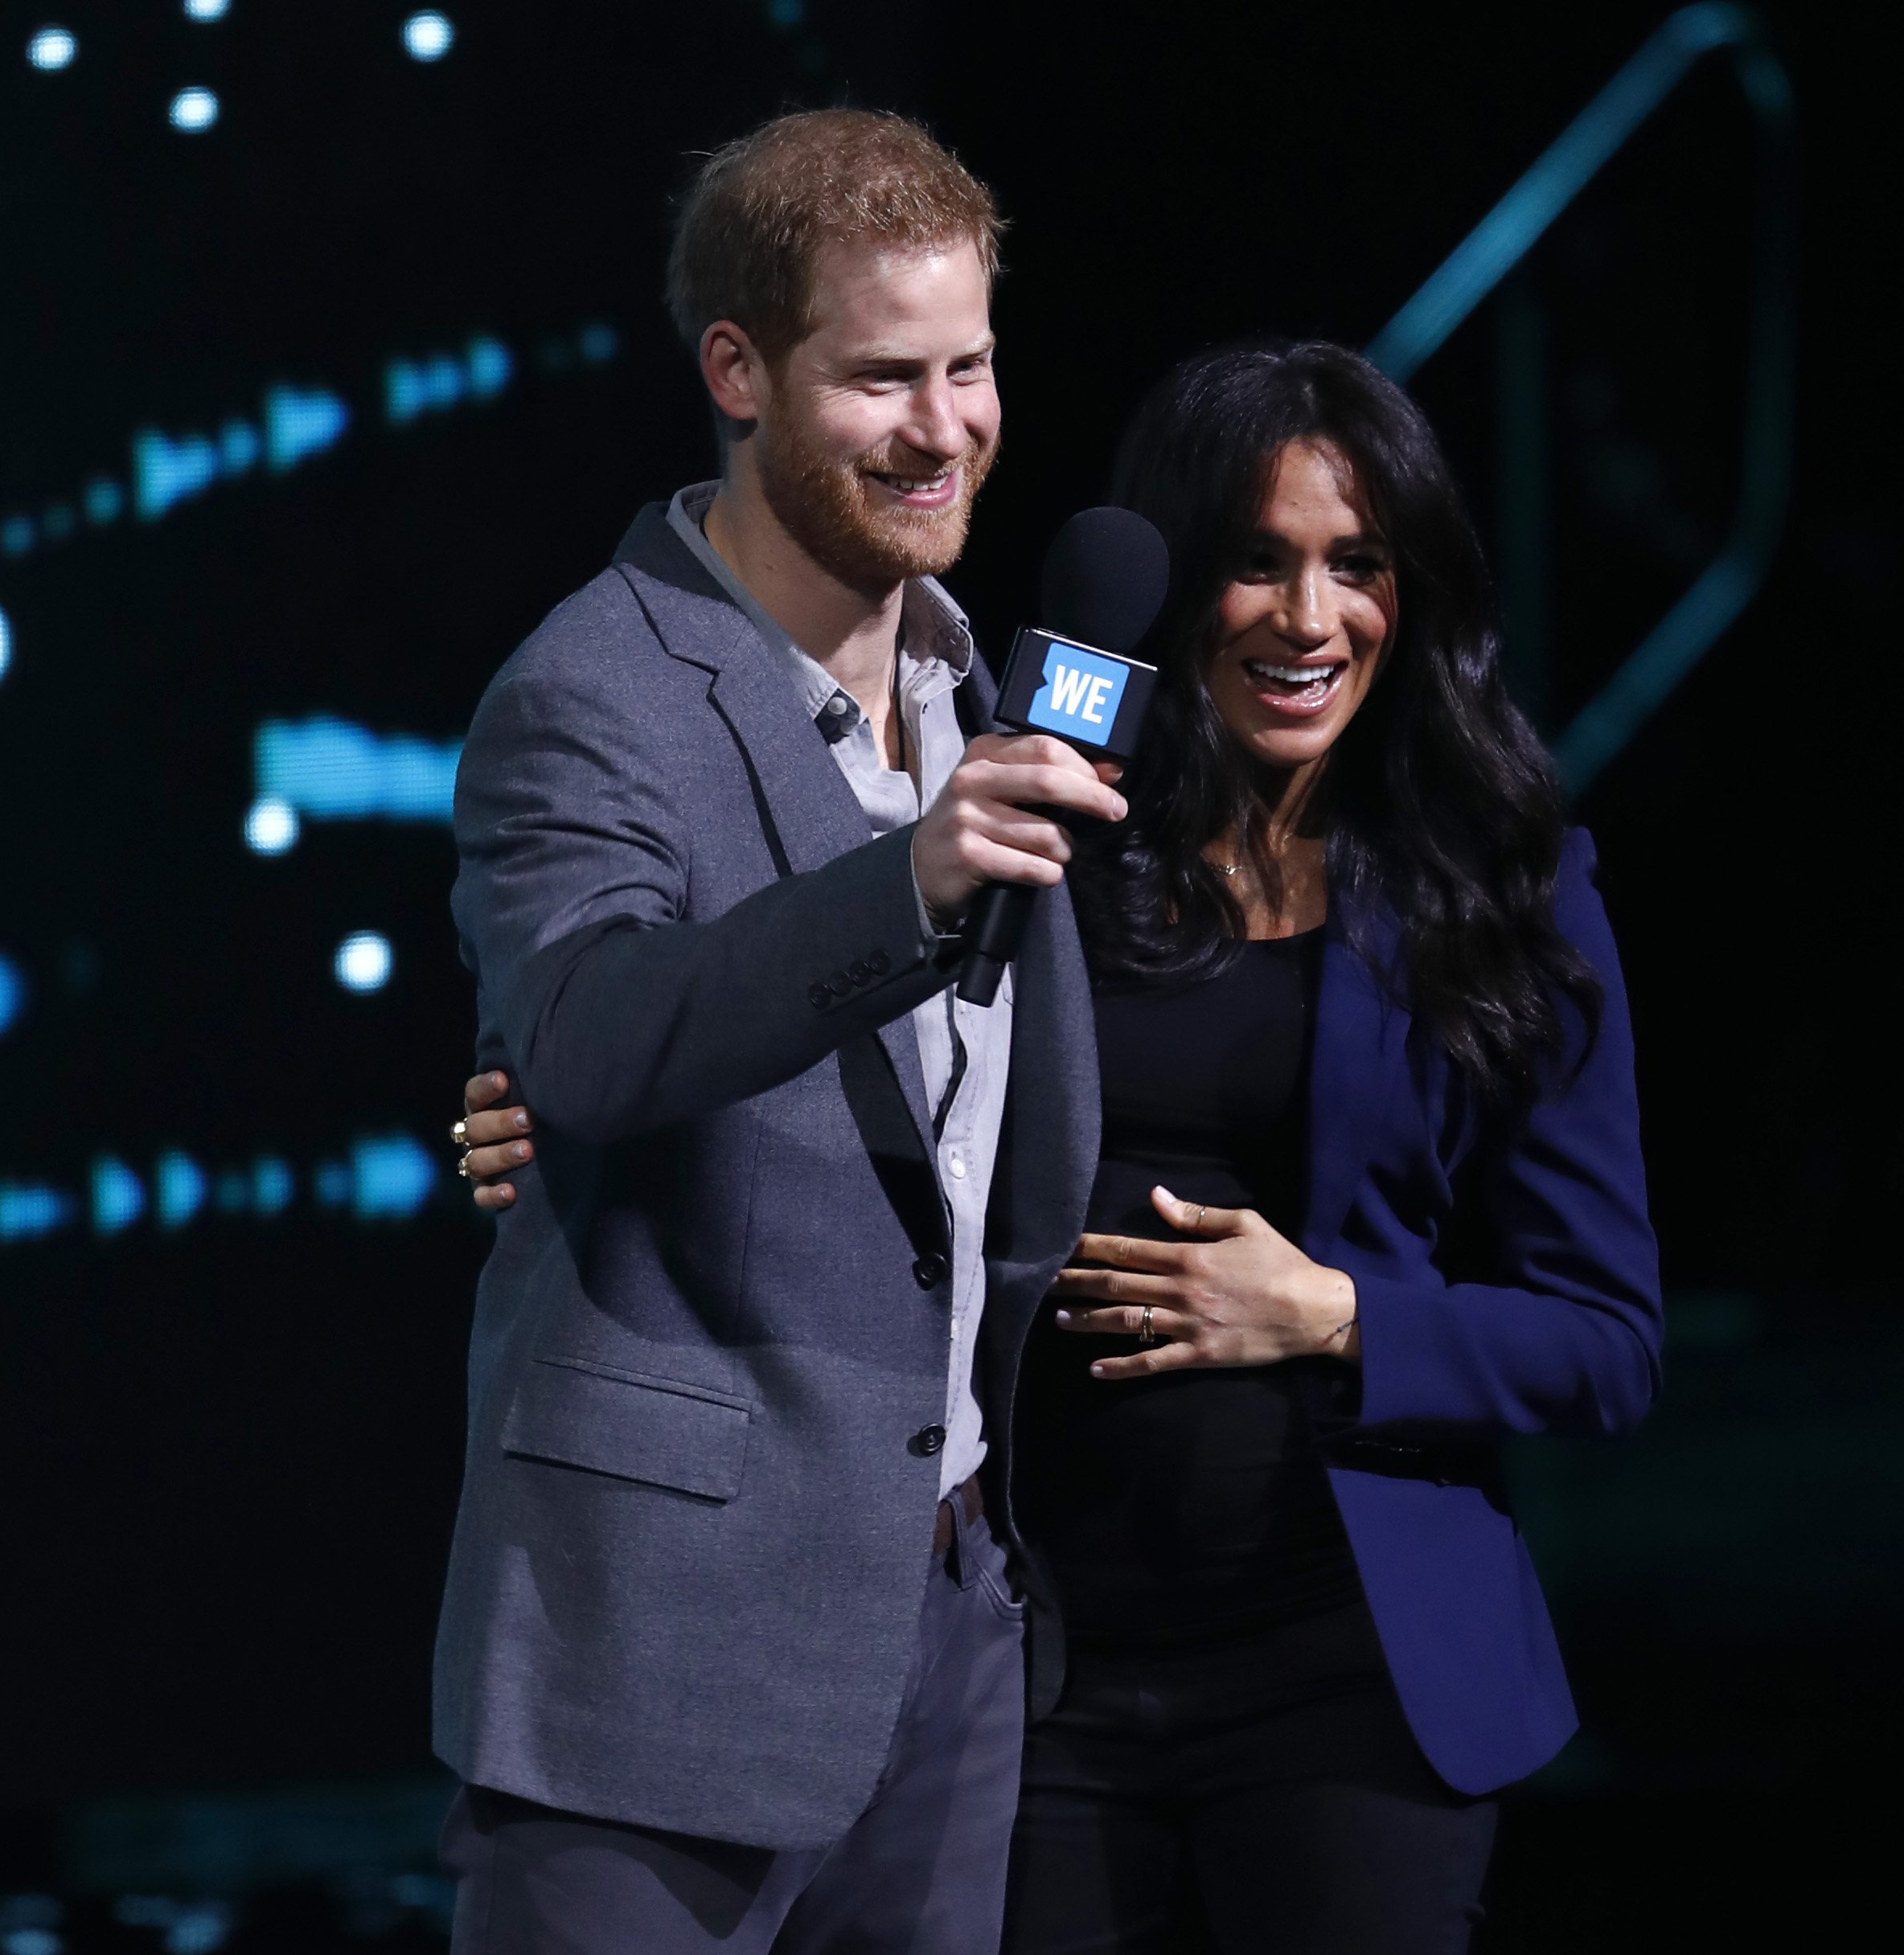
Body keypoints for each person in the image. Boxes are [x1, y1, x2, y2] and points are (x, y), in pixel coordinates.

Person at [462, 339, 1661, 1951]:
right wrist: (560, 1100)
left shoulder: (1512, 888)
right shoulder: (1034, 836)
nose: (1308, 620)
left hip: (1348, 1684)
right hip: (1029, 1675)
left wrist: (1331, 1314)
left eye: (1355, 567)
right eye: (1254, 563)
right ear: (1173, 583)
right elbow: (803, 1046)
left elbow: (1604, 1342)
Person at [433, 108, 1124, 1954]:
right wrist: (900, 884)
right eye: (880, 376)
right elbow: (583, 1029)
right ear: (736, 370)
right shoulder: (588, 691)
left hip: (943, 1617)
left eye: (968, 363)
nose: (944, 424)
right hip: (656, 1657)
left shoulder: (973, 673)